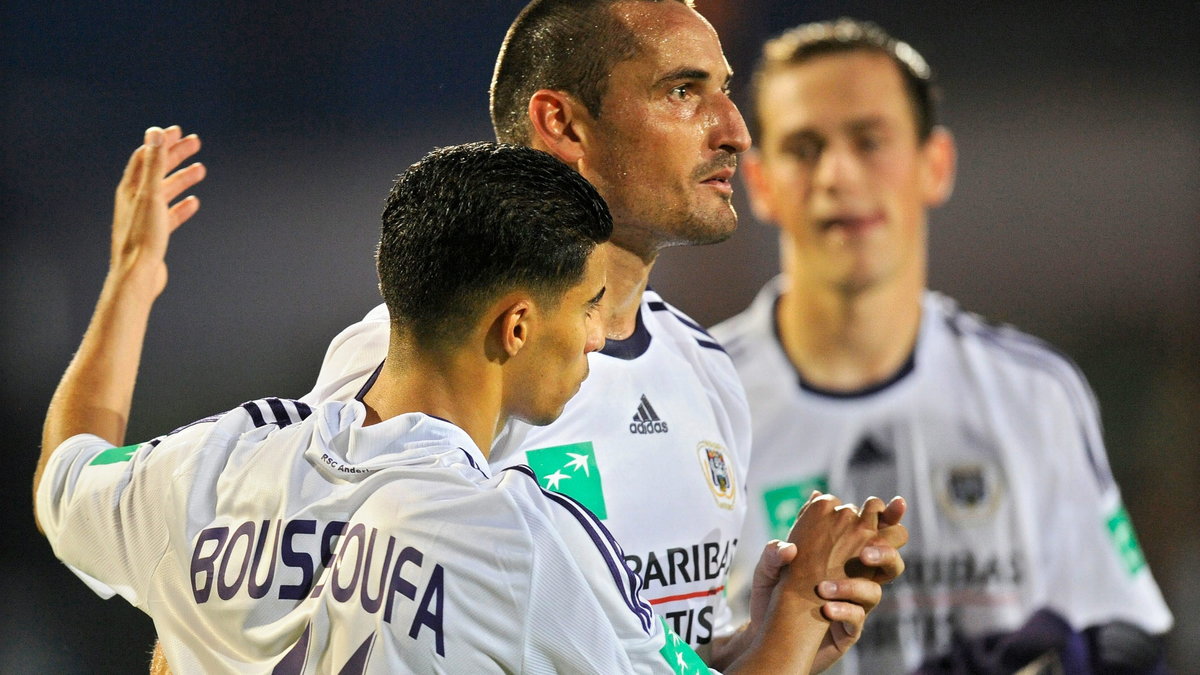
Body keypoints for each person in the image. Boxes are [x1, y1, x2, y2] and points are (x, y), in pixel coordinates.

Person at [35, 129, 895, 673]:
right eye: (589, 305)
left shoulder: (213, 461)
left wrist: (132, 283)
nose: (600, 335)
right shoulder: (518, 538)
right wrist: (794, 622)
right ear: (516, 325)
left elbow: (63, 477)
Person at [300, 1, 908, 670]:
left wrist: (767, 640)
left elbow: (655, 657)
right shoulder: (430, 352)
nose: (734, 130)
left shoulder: (705, 369)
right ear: (562, 123)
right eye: (682, 91)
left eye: (725, 93)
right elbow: (290, 628)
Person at [711, 17, 1174, 674]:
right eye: (805, 147)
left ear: (936, 165)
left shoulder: (1036, 393)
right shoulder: (699, 400)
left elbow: (1124, 639)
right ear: (758, 183)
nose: (838, 174)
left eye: (870, 140)